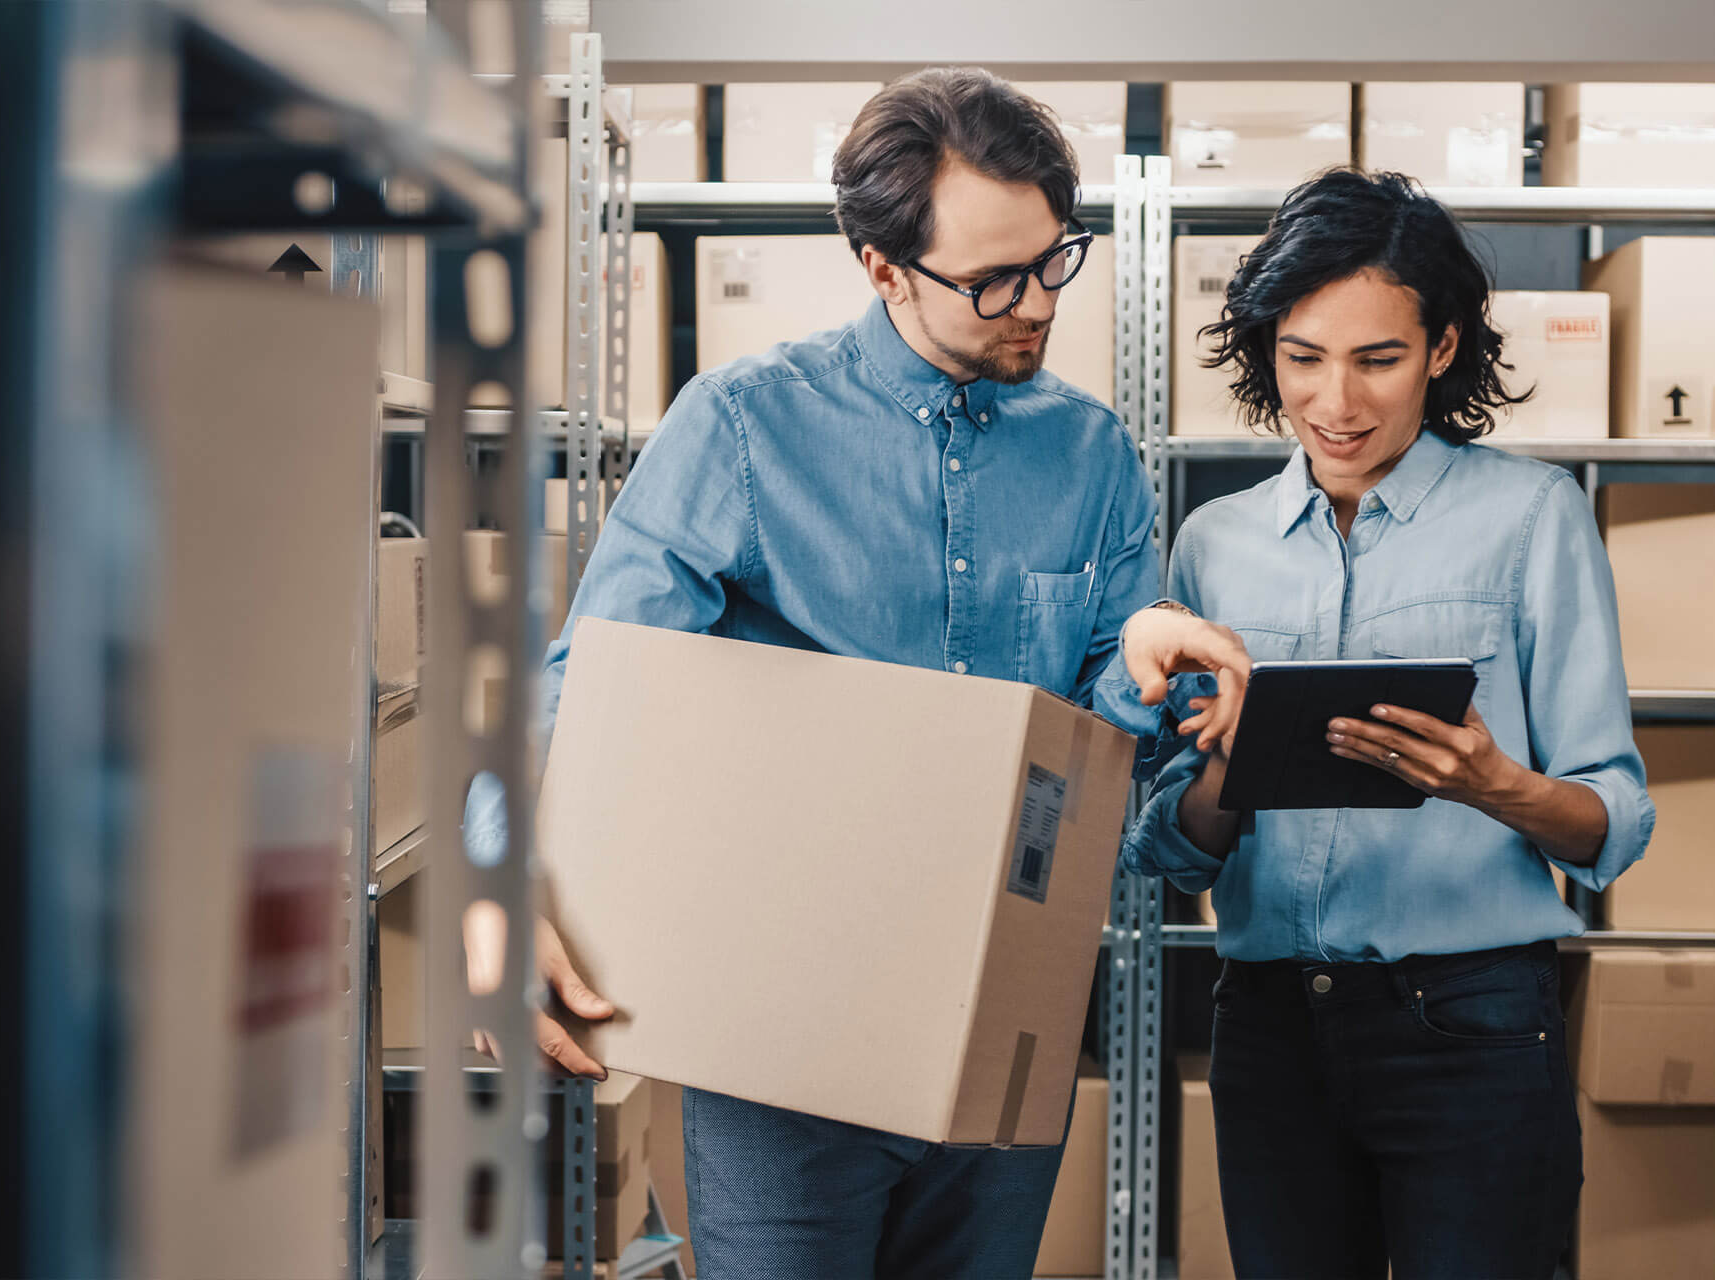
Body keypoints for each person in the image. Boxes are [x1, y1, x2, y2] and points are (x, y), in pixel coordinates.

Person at [464, 67, 1250, 1278]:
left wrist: (1140, 673)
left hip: (1004, 1025)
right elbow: (587, 685)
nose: (1036, 303)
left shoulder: (1092, 454)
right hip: (783, 1040)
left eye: (1054, 259)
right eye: (991, 279)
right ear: (881, 266)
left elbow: (1104, 757)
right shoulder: (739, 428)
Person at [1123, 169, 1656, 1280]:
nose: (1336, 403)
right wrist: (1224, 763)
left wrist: (1489, 782)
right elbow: (1171, 847)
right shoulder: (1215, 544)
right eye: (1303, 356)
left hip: (1471, 1021)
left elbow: (1613, 821)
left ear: (1445, 347)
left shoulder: (1530, 517)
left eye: (1379, 358)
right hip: (1269, 1026)